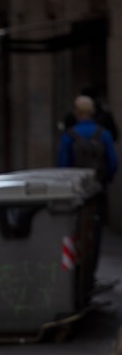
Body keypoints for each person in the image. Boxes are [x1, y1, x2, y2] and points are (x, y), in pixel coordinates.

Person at [58, 95, 118, 287]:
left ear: (77, 113)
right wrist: (103, 180)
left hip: (75, 195)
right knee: (95, 233)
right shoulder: (104, 134)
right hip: (97, 192)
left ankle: (76, 276)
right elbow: (113, 163)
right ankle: (90, 275)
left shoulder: (70, 136)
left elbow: (63, 167)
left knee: (75, 234)